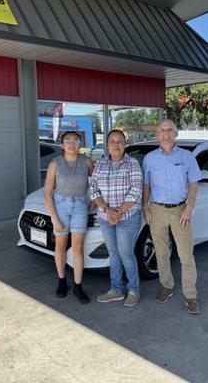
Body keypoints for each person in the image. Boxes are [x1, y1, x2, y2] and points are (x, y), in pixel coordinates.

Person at [142, 119, 203, 314]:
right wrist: (145, 207)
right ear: (157, 134)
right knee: (161, 252)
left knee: (186, 255)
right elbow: (146, 186)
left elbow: (193, 184)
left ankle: (190, 296)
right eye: (162, 130)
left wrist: (189, 208)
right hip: (157, 210)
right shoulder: (149, 159)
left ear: (175, 133)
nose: (166, 133)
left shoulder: (187, 157)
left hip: (180, 210)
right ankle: (167, 286)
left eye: (170, 129)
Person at [89, 130, 143, 307]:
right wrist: (106, 210)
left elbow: (136, 190)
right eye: (112, 141)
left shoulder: (132, 164)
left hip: (127, 217)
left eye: (120, 141)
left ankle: (134, 289)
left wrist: (117, 212)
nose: (116, 144)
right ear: (107, 144)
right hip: (106, 217)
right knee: (113, 254)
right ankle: (117, 290)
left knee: (126, 254)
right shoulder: (100, 164)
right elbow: (93, 189)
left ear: (125, 144)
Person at [43, 131, 94, 304]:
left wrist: (91, 205)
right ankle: (62, 281)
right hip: (60, 206)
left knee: (78, 248)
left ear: (80, 144)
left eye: (75, 141)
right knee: (60, 247)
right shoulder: (54, 163)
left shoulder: (86, 162)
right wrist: (55, 219)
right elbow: (47, 193)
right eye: (67, 141)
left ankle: (78, 286)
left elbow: (96, 186)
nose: (71, 144)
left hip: (80, 204)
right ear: (62, 145)